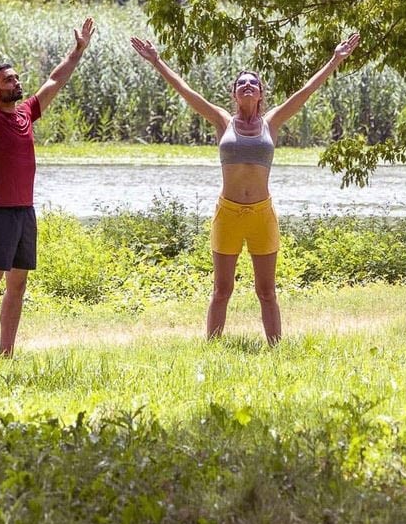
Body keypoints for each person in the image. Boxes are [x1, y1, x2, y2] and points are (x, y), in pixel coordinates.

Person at [130, 32, 360, 344]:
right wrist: (157, 61)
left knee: (266, 291)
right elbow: (187, 92)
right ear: (235, 94)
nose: (248, 86)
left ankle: (276, 350)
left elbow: (305, 92)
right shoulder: (223, 121)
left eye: (253, 83)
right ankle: (212, 348)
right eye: (242, 83)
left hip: (262, 216)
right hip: (228, 214)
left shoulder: (271, 122)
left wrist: (335, 60)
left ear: (261, 93)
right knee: (222, 289)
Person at [0, 13, 94, 356]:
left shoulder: (27, 113)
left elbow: (54, 81)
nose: (17, 83)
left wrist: (77, 51)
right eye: (8, 79)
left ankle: (6, 353)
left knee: (17, 285)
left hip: (24, 213)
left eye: (16, 78)